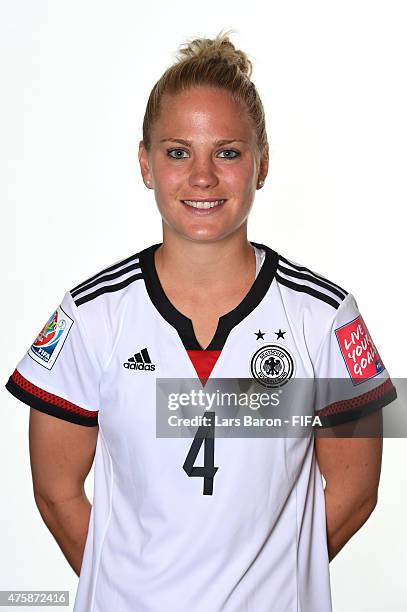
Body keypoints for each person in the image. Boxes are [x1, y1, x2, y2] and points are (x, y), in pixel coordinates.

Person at [5, 31, 397, 612]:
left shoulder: (323, 316)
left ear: (262, 164)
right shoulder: (91, 316)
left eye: (229, 152)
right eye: (178, 151)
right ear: (146, 163)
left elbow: (356, 490)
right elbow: (56, 490)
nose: (203, 176)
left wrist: (259, 588)